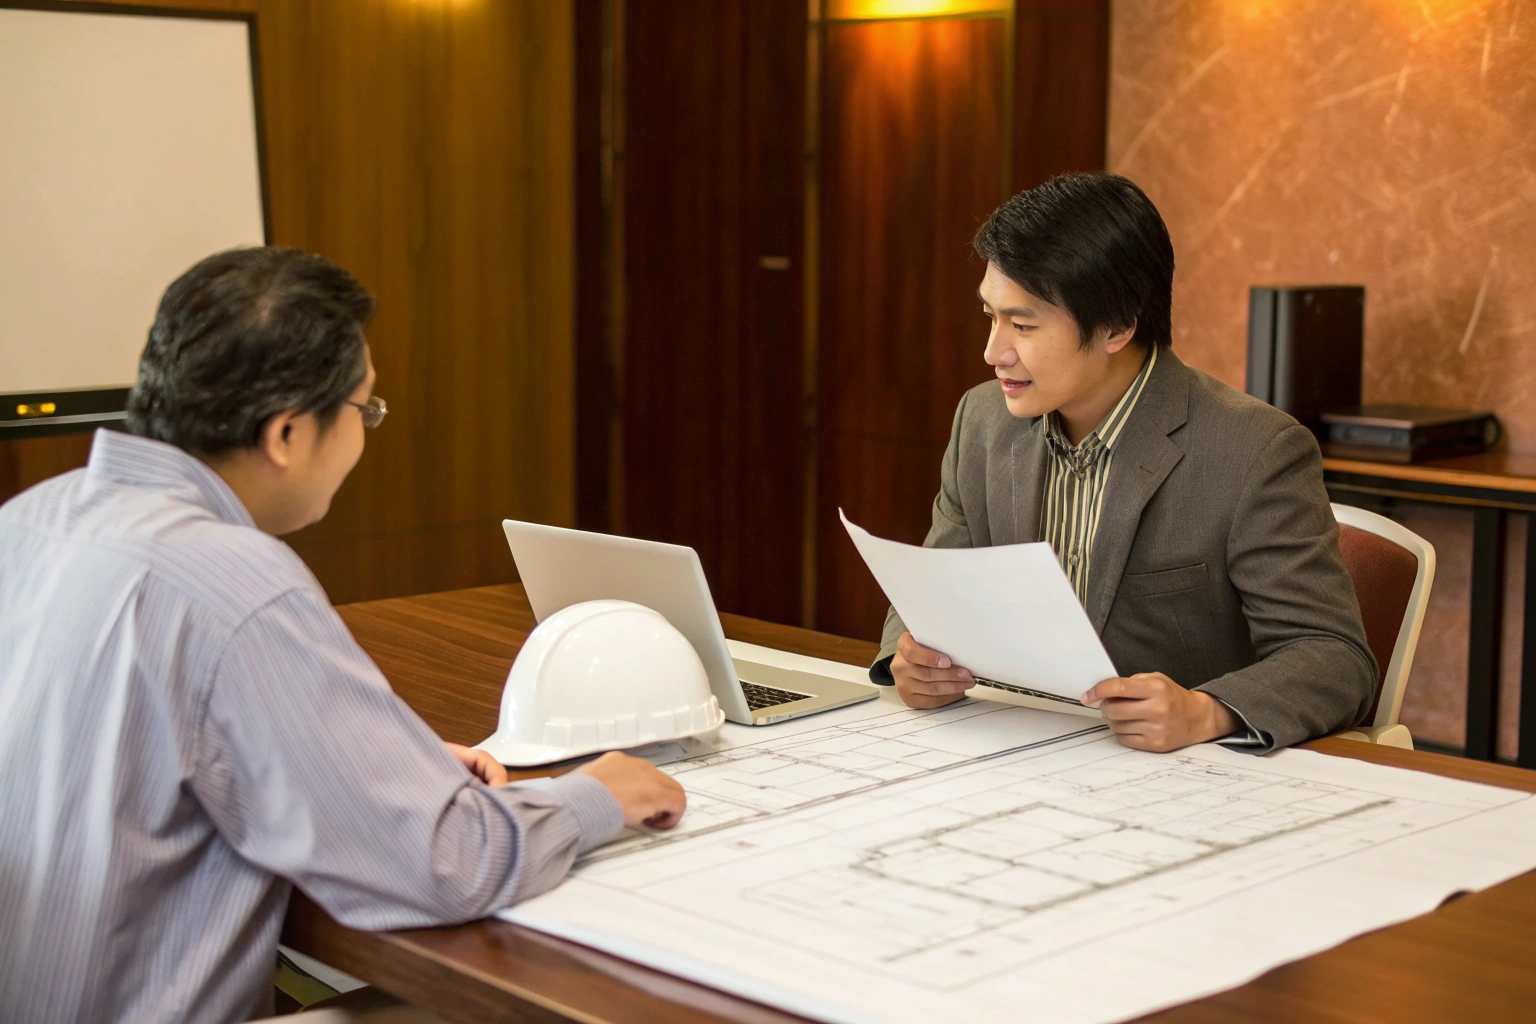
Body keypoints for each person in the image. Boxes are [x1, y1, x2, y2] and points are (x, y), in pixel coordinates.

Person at [0, 247, 686, 1023]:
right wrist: (596, 795)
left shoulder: (32, 519)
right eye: (366, 409)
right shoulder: (235, 581)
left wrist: (365, 767)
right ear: (288, 433)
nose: (367, 431)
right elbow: (444, 864)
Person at [873, 173, 1376, 755]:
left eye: (1023, 324)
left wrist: (1207, 711)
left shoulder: (1254, 449)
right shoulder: (983, 422)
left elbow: (1334, 657)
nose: (993, 351)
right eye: (991, 316)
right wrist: (911, 659)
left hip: (1164, 775)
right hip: (1004, 749)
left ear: (1116, 325)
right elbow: (932, 591)